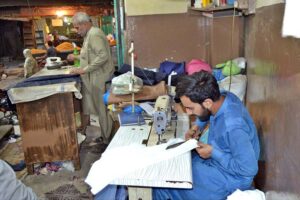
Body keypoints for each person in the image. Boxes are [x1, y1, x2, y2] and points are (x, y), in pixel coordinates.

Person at [153, 71, 260, 200]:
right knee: (174, 164)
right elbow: (207, 113)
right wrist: (197, 125)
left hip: (232, 178)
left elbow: (248, 170)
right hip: (219, 162)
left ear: (207, 103)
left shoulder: (233, 127)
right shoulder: (223, 97)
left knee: (163, 184)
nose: (187, 112)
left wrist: (213, 153)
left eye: (190, 108)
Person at [67, 12, 114, 144]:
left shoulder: (94, 34)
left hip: (99, 77)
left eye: (77, 27)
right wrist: (76, 57)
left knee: (103, 110)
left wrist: (84, 69)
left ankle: (107, 140)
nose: (76, 31)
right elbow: (90, 55)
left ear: (84, 24)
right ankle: (105, 136)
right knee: (100, 110)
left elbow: (103, 56)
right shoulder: (89, 35)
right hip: (95, 77)